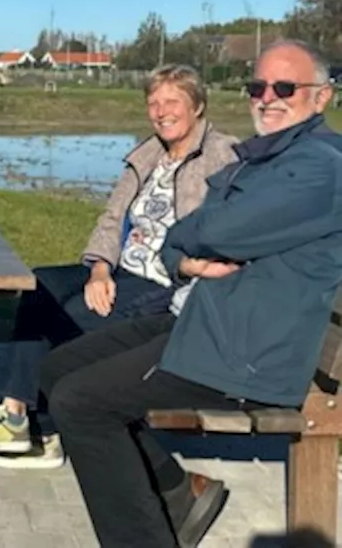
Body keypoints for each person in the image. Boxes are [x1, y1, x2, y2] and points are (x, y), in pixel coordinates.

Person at [38, 39, 342, 548]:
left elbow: (213, 228)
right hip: (206, 318)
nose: (267, 97)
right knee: (53, 370)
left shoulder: (317, 167)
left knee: (80, 403)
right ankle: (178, 494)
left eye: (285, 87)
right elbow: (184, 233)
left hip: (244, 347)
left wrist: (188, 243)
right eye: (257, 86)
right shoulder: (270, 157)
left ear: (323, 97)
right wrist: (184, 253)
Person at [0, 64, 239, 470]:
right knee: (41, 285)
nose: (161, 111)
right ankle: (18, 415)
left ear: (198, 105)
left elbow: (231, 227)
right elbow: (112, 218)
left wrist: (193, 265)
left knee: (72, 317)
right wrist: (100, 269)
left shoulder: (222, 155)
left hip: (168, 282)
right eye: (153, 102)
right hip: (125, 269)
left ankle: (46, 431)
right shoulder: (149, 154)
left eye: (172, 101)